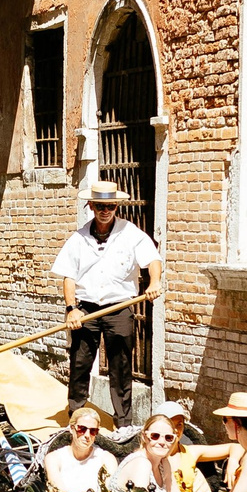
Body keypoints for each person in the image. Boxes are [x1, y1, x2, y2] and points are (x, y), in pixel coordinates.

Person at [55, 180, 163, 432]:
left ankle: (123, 424)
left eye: (111, 206)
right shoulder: (78, 238)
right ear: (91, 206)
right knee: (79, 364)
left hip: (120, 308)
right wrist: (71, 309)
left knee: (121, 367)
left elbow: (153, 260)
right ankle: (75, 420)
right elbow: (68, 277)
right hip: (86, 310)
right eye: (101, 206)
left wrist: (155, 281)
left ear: (116, 207)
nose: (106, 211)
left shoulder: (131, 234)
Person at [115, 407, 236, 492]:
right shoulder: (141, 463)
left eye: (168, 438)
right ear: (144, 436)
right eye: (155, 436)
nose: (162, 442)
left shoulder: (163, 463)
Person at [38, 404, 122, 492]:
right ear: (72, 429)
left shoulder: (107, 459)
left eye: (93, 431)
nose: (87, 435)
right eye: (82, 429)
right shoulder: (53, 458)